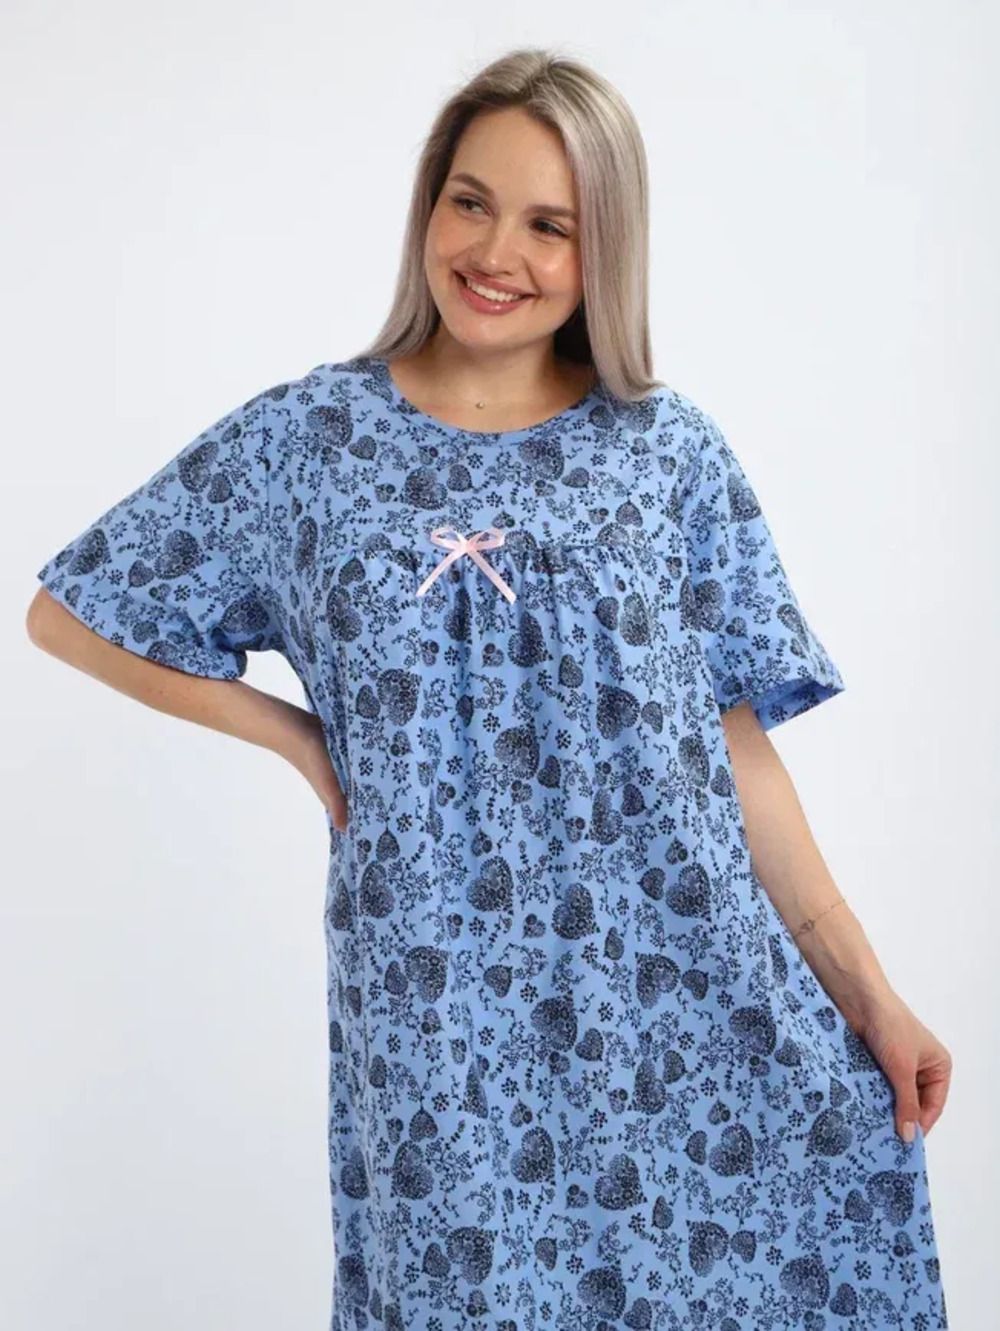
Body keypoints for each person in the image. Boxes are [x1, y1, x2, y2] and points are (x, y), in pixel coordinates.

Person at [28, 45, 950, 1331]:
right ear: (428, 204)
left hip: (679, 989)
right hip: (437, 1005)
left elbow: (729, 743)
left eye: (547, 224)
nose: (494, 251)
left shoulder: (664, 449)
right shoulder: (307, 441)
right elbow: (73, 611)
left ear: (602, 247)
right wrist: (299, 737)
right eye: (470, 201)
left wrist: (868, 992)